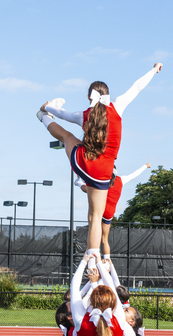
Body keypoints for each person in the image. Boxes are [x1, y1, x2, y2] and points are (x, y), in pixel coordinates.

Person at [37, 63, 162, 266]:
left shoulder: (84, 115)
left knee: (67, 135)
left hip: (84, 163)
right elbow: (137, 87)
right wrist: (153, 70)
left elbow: (63, 115)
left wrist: (47, 107)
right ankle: (92, 256)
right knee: (95, 217)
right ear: (108, 95)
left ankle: (42, 117)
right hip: (103, 174)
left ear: (90, 97)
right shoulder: (118, 105)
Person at [75, 162, 151, 257]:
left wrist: (80, 176)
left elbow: (90, 179)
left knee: (94, 234)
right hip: (109, 213)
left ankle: (92, 260)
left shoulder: (102, 179)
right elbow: (134, 174)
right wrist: (145, 166)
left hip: (99, 209)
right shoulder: (121, 180)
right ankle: (107, 261)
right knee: (104, 239)